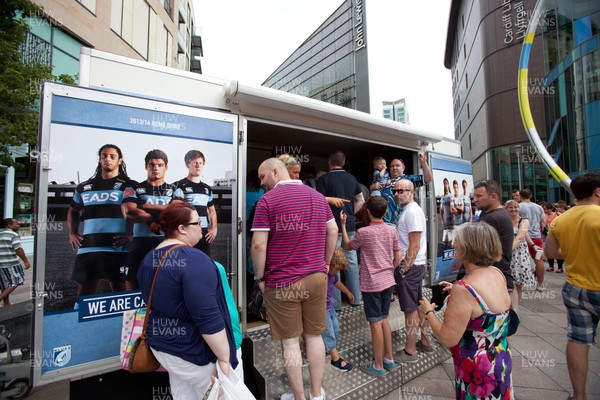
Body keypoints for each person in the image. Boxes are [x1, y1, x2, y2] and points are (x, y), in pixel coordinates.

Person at [251, 158, 337, 400]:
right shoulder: (318, 197)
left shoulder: (267, 201)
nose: (261, 182)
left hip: (281, 282)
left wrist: (260, 277)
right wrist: (326, 263)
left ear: (275, 171)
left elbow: (258, 245)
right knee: (314, 336)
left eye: (262, 176)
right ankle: (317, 394)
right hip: (316, 278)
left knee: (290, 343)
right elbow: (333, 231)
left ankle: (299, 398)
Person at [137, 202, 237, 399]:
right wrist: (225, 358)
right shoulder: (194, 259)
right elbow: (208, 318)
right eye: (198, 223)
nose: (203, 227)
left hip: (164, 347)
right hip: (195, 352)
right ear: (182, 229)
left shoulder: (149, 258)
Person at [419, 223, 512, 400]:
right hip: (501, 358)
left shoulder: (464, 290)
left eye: (457, 241)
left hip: (477, 369)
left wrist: (428, 312)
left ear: (470, 247)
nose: (453, 244)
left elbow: (448, 338)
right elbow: (486, 303)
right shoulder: (497, 273)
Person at [545, 172, 600, 400]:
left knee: (578, 340)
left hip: (576, 287)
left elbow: (550, 253)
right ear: (598, 191)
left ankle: (579, 395)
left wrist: (573, 252)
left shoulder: (560, 220)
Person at [340, 196, 401, 376]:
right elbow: (397, 257)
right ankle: (389, 359)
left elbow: (348, 246)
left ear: (367, 211)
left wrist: (343, 225)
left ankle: (378, 365)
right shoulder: (392, 231)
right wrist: (389, 269)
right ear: (386, 212)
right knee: (384, 319)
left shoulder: (363, 232)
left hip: (371, 283)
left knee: (374, 323)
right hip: (388, 280)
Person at [67, 144, 130, 297]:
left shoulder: (128, 186)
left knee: (120, 287)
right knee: (84, 291)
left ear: (120, 161)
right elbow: (73, 210)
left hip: (117, 246)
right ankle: (80, 320)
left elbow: (136, 213)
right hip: (89, 246)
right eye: (104, 156)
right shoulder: (84, 187)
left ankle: (120, 320)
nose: (107, 159)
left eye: (112, 156)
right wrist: (72, 233)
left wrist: (131, 234)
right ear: (100, 160)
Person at [316, 151, 364, 309]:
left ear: (330, 162)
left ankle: (335, 303)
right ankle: (356, 298)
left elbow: (318, 201)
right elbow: (361, 200)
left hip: (330, 226)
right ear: (343, 163)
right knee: (351, 261)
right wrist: (350, 214)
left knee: (333, 262)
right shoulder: (352, 178)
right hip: (348, 224)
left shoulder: (323, 179)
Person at [392, 179, 433, 363]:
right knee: (417, 305)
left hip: (411, 267)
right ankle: (425, 340)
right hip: (414, 266)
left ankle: (410, 351)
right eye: (395, 191)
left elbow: (414, 245)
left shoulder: (412, 212)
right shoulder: (410, 211)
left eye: (401, 190)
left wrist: (402, 269)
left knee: (410, 310)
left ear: (411, 191)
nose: (397, 194)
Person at [121, 149, 174, 290]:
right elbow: (130, 212)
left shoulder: (175, 189)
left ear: (166, 167)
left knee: (164, 289)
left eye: (160, 165)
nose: (155, 168)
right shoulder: (134, 187)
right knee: (132, 287)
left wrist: (144, 206)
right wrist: (153, 220)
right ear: (146, 166)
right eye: (152, 165)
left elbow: (176, 212)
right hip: (139, 244)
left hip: (165, 244)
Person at [471, 180, 514, 295]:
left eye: (479, 196)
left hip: (491, 282)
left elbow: (475, 250)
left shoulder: (491, 219)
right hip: (498, 278)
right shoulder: (498, 214)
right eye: (475, 196)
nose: (475, 199)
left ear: (493, 196)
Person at [173, 150, 218, 256]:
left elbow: (211, 211)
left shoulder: (206, 188)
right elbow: (176, 209)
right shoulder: (178, 185)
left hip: (203, 234)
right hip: (186, 232)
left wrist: (214, 228)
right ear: (187, 164)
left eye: (200, 163)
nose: (198, 166)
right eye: (195, 162)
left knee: (204, 263)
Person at [370, 152, 433, 225]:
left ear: (403, 168)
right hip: (382, 222)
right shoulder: (384, 179)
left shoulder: (407, 179)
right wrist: (372, 187)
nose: (394, 167)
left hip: (399, 223)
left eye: (397, 165)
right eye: (392, 166)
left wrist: (423, 163)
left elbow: (428, 179)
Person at [323, 247, 354, 372]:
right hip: (321, 308)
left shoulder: (333, 275)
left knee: (335, 327)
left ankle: (327, 348)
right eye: (336, 269)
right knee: (328, 330)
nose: (337, 272)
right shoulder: (323, 274)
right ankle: (335, 359)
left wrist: (347, 291)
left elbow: (337, 283)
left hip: (329, 306)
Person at [504, 200, 536, 313]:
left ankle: (516, 306)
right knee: (510, 279)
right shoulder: (505, 221)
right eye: (511, 207)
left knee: (518, 281)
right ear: (506, 209)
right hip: (508, 251)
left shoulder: (524, 221)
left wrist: (532, 245)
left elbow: (521, 236)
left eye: (515, 207)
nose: (514, 210)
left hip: (519, 253)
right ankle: (512, 304)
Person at [518, 189, 546, 290]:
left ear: (520, 196)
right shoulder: (538, 207)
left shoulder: (519, 207)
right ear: (530, 196)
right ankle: (540, 284)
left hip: (523, 236)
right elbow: (543, 222)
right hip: (537, 237)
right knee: (538, 260)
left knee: (522, 260)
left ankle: (521, 283)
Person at [0, 218, 31, 306]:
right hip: (11, 263)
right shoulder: (13, 234)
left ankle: (6, 303)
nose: (18, 225)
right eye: (16, 224)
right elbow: (18, 249)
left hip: (1, 264)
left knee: (5, 284)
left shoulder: (1, 233)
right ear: (9, 225)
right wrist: (25, 261)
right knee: (16, 281)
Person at [543, 203, 563, 273]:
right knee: (549, 249)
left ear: (551, 209)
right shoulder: (544, 216)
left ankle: (560, 267)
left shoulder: (557, 215)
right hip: (548, 234)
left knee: (558, 250)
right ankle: (551, 266)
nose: (546, 210)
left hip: (557, 233)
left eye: (548, 209)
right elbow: (543, 224)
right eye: (545, 209)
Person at [440, 178, 454, 248]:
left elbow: (453, 207)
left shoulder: (451, 196)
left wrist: (453, 219)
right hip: (445, 219)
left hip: (451, 219)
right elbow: (441, 210)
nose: (445, 185)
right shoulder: (442, 197)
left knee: (451, 238)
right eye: (444, 183)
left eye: (446, 183)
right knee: (445, 240)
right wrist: (442, 220)